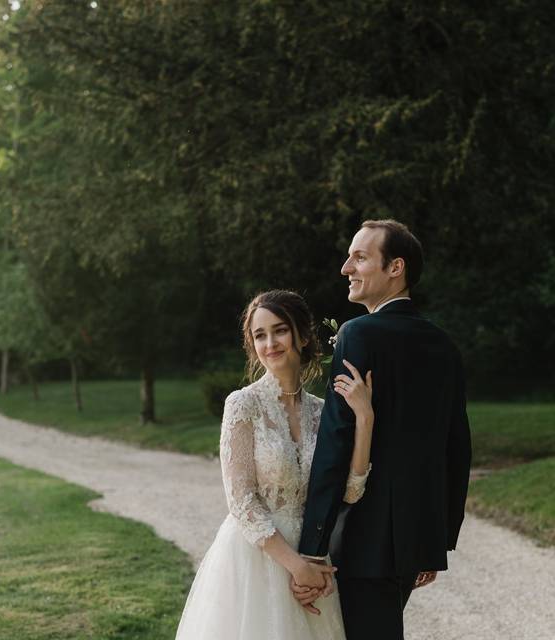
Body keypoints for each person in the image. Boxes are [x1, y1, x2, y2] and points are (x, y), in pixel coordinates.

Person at [295, 220, 472, 640]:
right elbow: (456, 447)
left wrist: (313, 545)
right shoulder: (443, 345)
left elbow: (336, 441)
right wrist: (438, 538)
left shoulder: (359, 335)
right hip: (413, 542)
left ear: (396, 267)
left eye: (359, 257)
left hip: (362, 540)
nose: (345, 268)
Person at [176, 289, 374, 640]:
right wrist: (296, 567)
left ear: (302, 335)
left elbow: (349, 491)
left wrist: (364, 418)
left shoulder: (322, 412)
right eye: (259, 335)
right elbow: (242, 501)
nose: (270, 343)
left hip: (312, 554)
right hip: (256, 559)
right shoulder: (242, 405)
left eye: (279, 330)